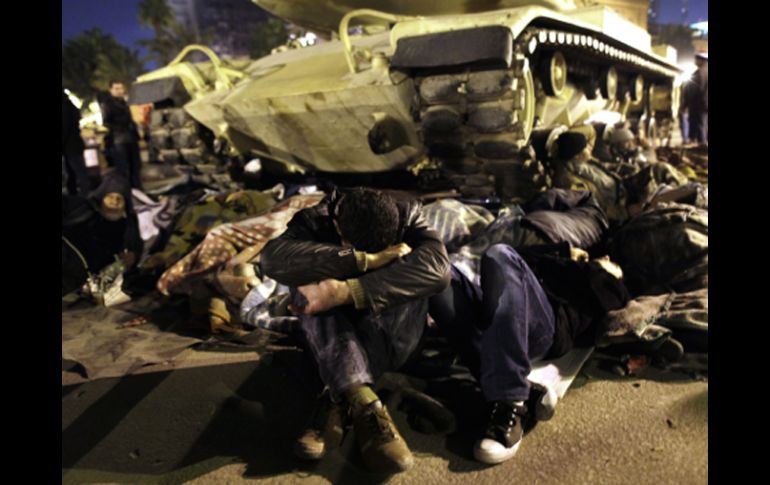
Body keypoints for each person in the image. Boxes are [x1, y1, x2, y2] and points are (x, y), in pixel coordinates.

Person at [260, 187, 451, 473]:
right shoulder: (316, 218)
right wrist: (362, 259)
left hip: (393, 330)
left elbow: (439, 270)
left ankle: (335, 396)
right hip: (341, 327)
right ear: (337, 225)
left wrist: (349, 291)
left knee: (411, 274)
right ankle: (363, 401)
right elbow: (273, 259)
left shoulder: (408, 214)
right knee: (305, 287)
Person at [428, 242, 629, 464]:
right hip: (496, 314)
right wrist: (563, 251)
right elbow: (518, 257)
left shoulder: (614, 290)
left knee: (499, 253)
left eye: (612, 263)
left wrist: (587, 266)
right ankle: (523, 390)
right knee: (433, 268)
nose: (606, 257)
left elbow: (510, 258)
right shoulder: (563, 265)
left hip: (542, 328)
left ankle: (510, 401)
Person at [62, 170, 142, 295]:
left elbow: (136, 247)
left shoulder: (128, 226)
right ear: (101, 199)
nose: (115, 201)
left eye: (119, 198)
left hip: (92, 280)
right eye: (110, 197)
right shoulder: (83, 211)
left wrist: (134, 256)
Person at [99, 80, 143, 189]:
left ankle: (137, 189)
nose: (120, 91)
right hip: (119, 139)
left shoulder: (125, 102)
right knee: (123, 167)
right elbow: (106, 122)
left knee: (136, 166)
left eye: (121, 88)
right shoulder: (107, 104)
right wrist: (119, 127)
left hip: (131, 137)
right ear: (111, 90)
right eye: (116, 89)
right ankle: (126, 190)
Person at [62, 90, 91, 195]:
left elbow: (64, 128)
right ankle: (77, 195)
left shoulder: (65, 107)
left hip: (70, 146)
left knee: (78, 172)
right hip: (73, 145)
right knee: (74, 172)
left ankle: (84, 196)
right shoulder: (69, 104)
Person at [680, 52, 708, 145]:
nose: (695, 61)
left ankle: (701, 145)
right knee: (703, 124)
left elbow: (693, 90)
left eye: (696, 59)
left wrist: (685, 104)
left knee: (699, 125)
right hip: (705, 104)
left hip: (698, 105)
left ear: (701, 60)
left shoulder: (700, 73)